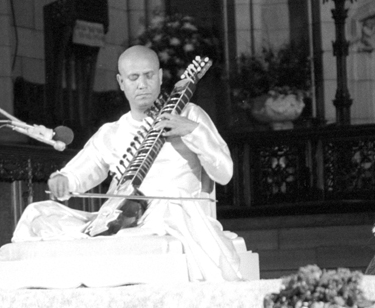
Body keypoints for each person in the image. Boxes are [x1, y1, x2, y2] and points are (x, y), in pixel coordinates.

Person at [12, 45, 242, 281]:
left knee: (166, 210)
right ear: (121, 82)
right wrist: (63, 180)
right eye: (134, 77)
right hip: (122, 220)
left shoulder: (189, 115)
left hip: (171, 218)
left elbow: (225, 173)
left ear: (160, 77)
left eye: (149, 75)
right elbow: (80, 172)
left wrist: (192, 131)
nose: (142, 84)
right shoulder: (112, 132)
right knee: (37, 214)